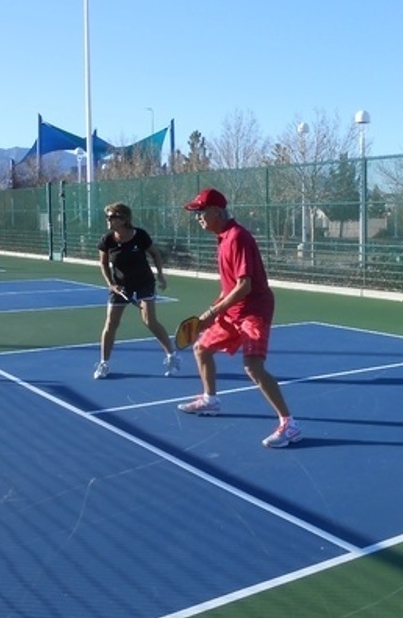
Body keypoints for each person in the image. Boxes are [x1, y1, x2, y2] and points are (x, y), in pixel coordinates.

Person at [177, 187, 302, 449]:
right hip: (233, 311)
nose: (198, 217)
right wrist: (213, 311)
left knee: (253, 366)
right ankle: (210, 401)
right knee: (201, 348)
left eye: (201, 211)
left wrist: (213, 312)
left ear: (216, 211)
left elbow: (245, 285)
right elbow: (229, 286)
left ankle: (289, 424)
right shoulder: (222, 238)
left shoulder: (237, 237)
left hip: (254, 310)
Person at [94, 202, 179, 379]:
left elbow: (155, 254)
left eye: (112, 217)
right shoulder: (107, 240)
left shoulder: (140, 235)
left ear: (123, 219)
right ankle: (104, 363)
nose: (108, 220)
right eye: (107, 217)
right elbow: (103, 263)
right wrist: (111, 283)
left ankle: (172, 356)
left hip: (144, 282)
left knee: (149, 321)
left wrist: (161, 275)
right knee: (110, 324)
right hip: (121, 285)